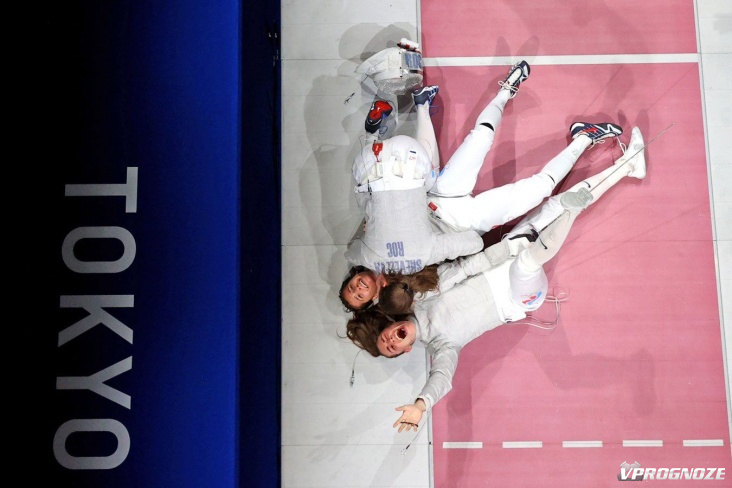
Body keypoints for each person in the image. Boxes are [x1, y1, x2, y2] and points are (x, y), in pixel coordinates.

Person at [344, 125, 647, 431]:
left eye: (385, 338)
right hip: (516, 297)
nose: (390, 341)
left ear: (390, 325)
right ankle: (570, 213)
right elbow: (442, 377)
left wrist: (506, 250)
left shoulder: (419, 299)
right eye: (392, 348)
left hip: (500, 262)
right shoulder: (442, 345)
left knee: (553, 206)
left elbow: (467, 268)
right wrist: (422, 404)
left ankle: (628, 166)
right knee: (528, 262)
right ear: (407, 348)